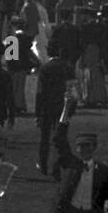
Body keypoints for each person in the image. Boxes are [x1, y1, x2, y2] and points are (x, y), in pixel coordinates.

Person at [34, 44, 74, 173]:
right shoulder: (67, 67)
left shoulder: (45, 68)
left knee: (44, 138)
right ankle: (60, 163)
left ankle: (43, 164)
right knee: (61, 137)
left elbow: (40, 92)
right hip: (63, 106)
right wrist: (71, 108)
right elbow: (72, 89)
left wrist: (37, 112)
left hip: (47, 106)